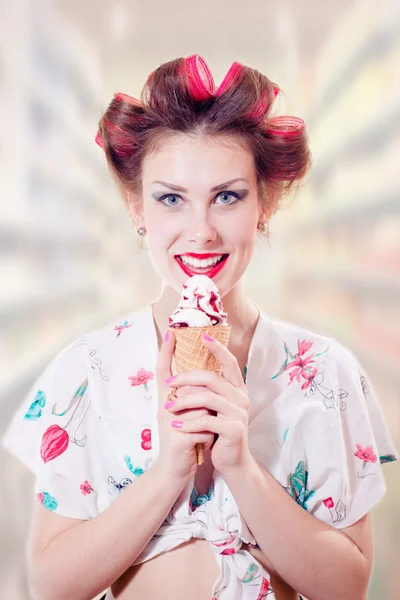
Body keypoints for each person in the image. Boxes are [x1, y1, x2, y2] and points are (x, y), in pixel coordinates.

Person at [2, 54, 398, 600]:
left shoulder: (326, 374)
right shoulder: (86, 372)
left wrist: (240, 466)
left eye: (228, 197)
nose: (201, 231)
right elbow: (49, 585)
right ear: (136, 206)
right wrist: (167, 471)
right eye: (170, 199)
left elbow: (348, 588)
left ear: (265, 202)